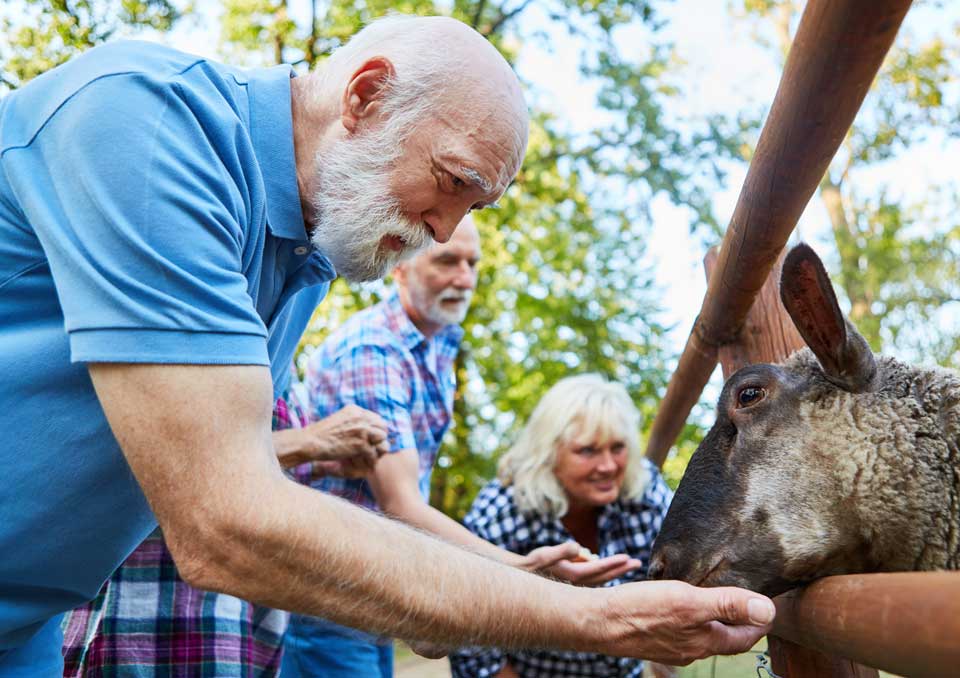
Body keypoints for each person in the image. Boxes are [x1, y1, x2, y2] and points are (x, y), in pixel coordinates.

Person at [0, 13, 775, 676]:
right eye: (451, 181)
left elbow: (219, 466)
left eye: (476, 206)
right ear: (366, 95)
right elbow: (223, 518)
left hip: (25, 625)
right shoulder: (149, 121)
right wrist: (609, 621)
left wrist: (503, 569)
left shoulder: (303, 257)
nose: (445, 228)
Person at [281, 217, 642, 677]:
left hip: (369, 579)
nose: (464, 278)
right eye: (447, 261)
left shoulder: (436, 346)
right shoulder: (375, 350)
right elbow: (401, 502)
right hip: (326, 581)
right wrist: (516, 569)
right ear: (400, 267)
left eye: (472, 263)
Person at [60, 374, 388, 676]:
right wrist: (307, 442)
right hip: (144, 633)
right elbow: (161, 456)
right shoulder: (172, 332)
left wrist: (312, 464)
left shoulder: (275, 353)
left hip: (235, 632)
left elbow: (247, 471)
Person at [450, 374, 677, 677]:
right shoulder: (503, 509)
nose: (608, 465)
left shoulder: (644, 490)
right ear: (549, 453)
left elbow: (677, 581)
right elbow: (470, 638)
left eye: (618, 447)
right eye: (588, 450)